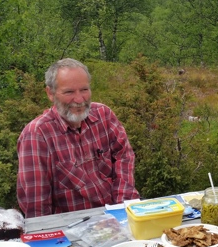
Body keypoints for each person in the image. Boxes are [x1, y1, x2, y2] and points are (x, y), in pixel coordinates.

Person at [17, 58, 140, 218]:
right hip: (73, 230)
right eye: (69, 92)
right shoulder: (37, 135)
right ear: (50, 93)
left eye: (84, 89)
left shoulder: (104, 115)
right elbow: (37, 208)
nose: (79, 99)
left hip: (118, 216)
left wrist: (123, 209)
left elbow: (124, 157)